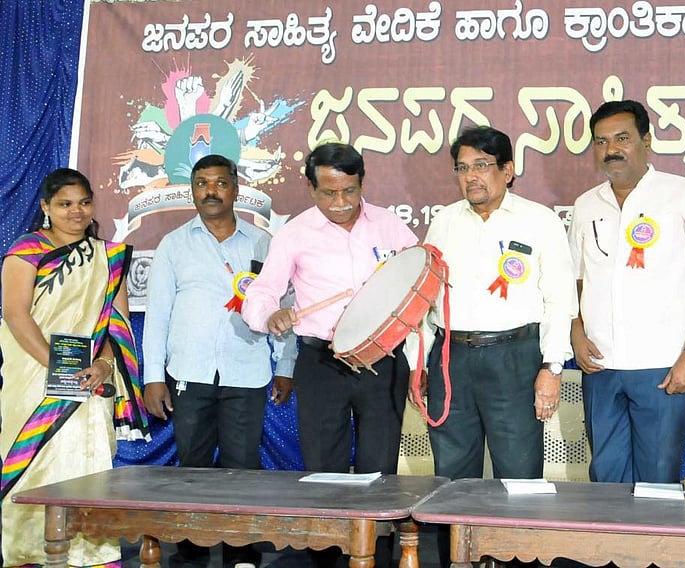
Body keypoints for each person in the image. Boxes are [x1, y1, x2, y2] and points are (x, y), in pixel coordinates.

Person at [241, 142, 417, 566]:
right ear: (310, 187)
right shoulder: (295, 233)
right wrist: (270, 316)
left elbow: (418, 284)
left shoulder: (391, 226)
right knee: (325, 468)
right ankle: (330, 558)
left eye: (349, 192)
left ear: (362, 183)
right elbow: (260, 294)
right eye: (328, 193)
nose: (339, 203)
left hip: (383, 361)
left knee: (380, 470)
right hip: (321, 363)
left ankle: (375, 556)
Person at [142, 154, 296, 568]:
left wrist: (285, 366)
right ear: (192, 190)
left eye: (220, 183)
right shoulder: (174, 244)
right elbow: (157, 315)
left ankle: (239, 553)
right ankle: (191, 551)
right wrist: (153, 377)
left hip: (246, 370)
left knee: (242, 467)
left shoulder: (263, 244)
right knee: (192, 464)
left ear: (236, 189)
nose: (211, 191)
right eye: (202, 183)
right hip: (188, 373)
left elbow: (284, 308)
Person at [569, 99, 685, 483]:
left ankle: (654, 546)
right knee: (605, 478)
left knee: (658, 480)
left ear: (647, 140)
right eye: (601, 142)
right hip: (601, 366)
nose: (611, 150)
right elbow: (575, 280)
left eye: (622, 138)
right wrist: (575, 332)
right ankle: (609, 546)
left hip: (663, 365)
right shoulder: (586, 204)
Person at [406, 125, 578, 481]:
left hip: (514, 358)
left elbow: (560, 300)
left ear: (508, 170)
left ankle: (512, 539)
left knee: (518, 472)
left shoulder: (540, 221)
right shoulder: (445, 222)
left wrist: (553, 367)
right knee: (451, 474)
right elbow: (423, 300)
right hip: (451, 357)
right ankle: (452, 539)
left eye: (482, 165)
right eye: (463, 168)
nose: (471, 177)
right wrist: (417, 363)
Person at [0, 168, 149, 566]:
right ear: (46, 207)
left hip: (89, 382)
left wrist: (102, 366)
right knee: (36, 462)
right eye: (65, 204)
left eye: (84, 203)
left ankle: (93, 555)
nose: (76, 212)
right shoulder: (26, 250)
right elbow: (16, 315)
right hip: (33, 377)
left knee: (88, 462)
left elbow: (118, 324)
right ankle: (29, 554)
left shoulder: (108, 257)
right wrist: (56, 367)